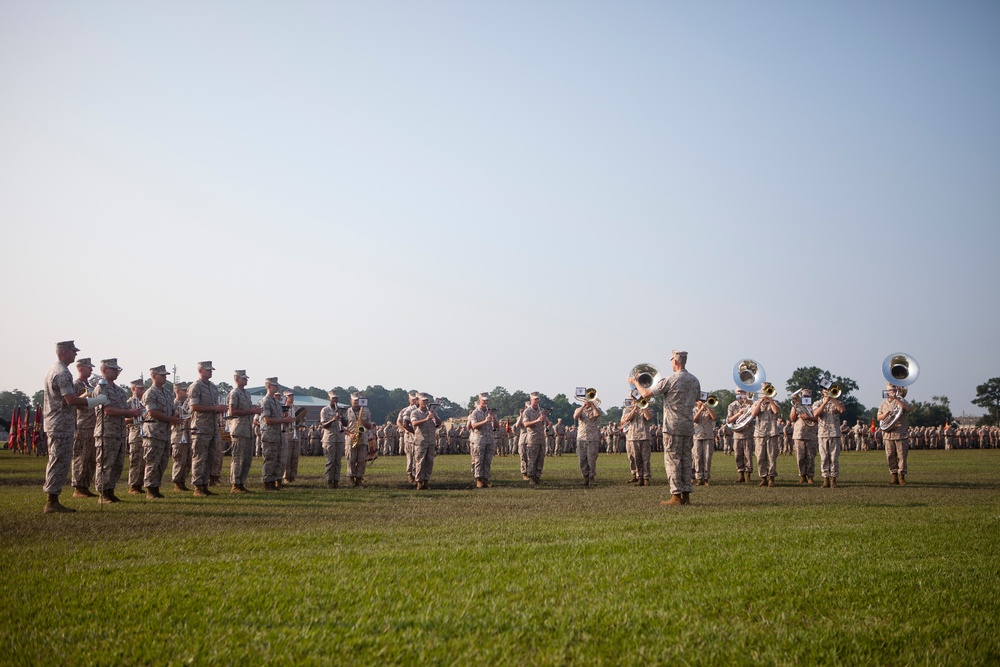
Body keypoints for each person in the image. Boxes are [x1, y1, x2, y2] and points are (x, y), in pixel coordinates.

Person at [629, 350, 700, 506]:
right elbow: (696, 397)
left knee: (673, 460)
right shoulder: (695, 380)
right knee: (687, 460)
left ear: (675, 361)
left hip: (673, 426)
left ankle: (676, 496)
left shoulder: (670, 380)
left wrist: (636, 383)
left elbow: (646, 393)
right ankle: (686, 495)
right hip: (688, 426)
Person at [42, 341, 105, 513]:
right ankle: (51, 501)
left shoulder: (54, 369)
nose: (75, 355)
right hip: (60, 423)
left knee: (59, 460)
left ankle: (53, 499)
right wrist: (94, 401)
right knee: (58, 461)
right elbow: (70, 400)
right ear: (64, 352)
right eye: (73, 351)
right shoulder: (62, 372)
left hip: (59, 422)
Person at [92, 358, 140, 503]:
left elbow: (123, 410)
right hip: (106, 432)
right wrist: (129, 413)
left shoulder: (119, 391)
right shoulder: (101, 388)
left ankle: (110, 491)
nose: (116, 372)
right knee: (105, 464)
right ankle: (103, 493)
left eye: (117, 369)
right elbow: (107, 410)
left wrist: (133, 412)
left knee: (117, 465)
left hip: (119, 432)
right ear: (104, 371)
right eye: (113, 369)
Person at [142, 365, 183, 498]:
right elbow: (152, 412)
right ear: (154, 376)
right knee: (152, 461)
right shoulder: (150, 393)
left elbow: (170, 410)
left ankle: (156, 487)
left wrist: (174, 416)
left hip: (165, 432)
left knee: (163, 461)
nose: (165, 377)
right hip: (153, 432)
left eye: (165, 375)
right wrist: (170, 418)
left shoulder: (167, 393)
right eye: (162, 375)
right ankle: (150, 489)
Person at [188, 361, 227, 495]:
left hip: (212, 427)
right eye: (208, 370)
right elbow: (193, 407)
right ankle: (198, 486)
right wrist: (214, 408)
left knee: (211, 457)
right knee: (199, 457)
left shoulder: (213, 387)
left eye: (211, 370)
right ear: (200, 371)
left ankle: (205, 484)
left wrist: (219, 410)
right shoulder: (195, 387)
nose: (211, 372)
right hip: (201, 427)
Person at [227, 370, 261, 494]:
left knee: (246, 459)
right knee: (238, 458)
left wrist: (254, 410)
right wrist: (250, 411)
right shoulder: (234, 393)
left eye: (246, 378)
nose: (246, 380)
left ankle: (241, 483)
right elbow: (232, 412)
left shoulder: (247, 394)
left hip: (247, 429)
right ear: (236, 379)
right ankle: (235, 484)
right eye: (243, 378)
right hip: (239, 429)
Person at [71, 357, 98, 498]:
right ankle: (78, 488)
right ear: (81, 368)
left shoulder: (90, 384)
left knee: (91, 458)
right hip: (82, 426)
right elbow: (73, 402)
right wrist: (87, 394)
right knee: (81, 457)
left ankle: (85, 485)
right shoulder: (75, 384)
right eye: (89, 367)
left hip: (93, 426)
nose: (91, 370)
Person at [260, 379, 294, 490]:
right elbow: (267, 420)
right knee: (269, 460)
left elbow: (278, 418)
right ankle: (267, 482)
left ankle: (274, 481)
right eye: (275, 386)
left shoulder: (275, 402)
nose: (277, 388)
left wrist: (286, 419)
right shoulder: (265, 401)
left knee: (277, 460)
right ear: (268, 386)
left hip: (277, 434)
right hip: (269, 435)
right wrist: (283, 420)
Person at [877, 383, 911, 484]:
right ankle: (894, 476)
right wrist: (885, 415)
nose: (891, 392)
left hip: (900, 434)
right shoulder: (883, 404)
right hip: (888, 434)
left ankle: (902, 477)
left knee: (902, 456)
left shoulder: (901, 400)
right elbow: (878, 417)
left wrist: (897, 398)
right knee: (890, 455)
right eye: (890, 391)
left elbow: (907, 408)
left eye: (893, 390)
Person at [813, 386, 845, 487]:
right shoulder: (817, 403)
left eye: (829, 390)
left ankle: (833, 480)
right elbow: (815, 414)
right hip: (822, 434)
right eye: (825, 391)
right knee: (824, 458)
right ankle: (825, 479)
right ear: (822, 392)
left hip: (834, 434)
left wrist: (834, 399)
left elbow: (841, 410)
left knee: (834, 458)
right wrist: (825, 403)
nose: (827, 392)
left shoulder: (838, 402)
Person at [409, 393, 442, 489]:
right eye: (423, 400)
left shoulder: (432, 413)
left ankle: (426, 481)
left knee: (429, 461)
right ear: (418, 401)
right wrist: (426, 419)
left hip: (431, 441)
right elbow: (414, 423)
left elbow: (439, 423)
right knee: (420, 462)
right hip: (420, 441)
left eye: (426, 400)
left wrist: (434, 416)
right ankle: (419, 481)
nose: (425, 402)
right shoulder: (415, 412)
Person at [750, 385, 780, 487]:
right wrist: (760, 401)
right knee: (760, 457)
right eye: (764, 391)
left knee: (771, 457)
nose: (765, 392)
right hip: (759, 434)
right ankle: (763, 478)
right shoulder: (756, 403)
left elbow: (776, 411)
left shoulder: (775, 402)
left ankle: (771, 478)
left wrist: (770, 400)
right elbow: (754, 413)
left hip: (772, 433)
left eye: (767, 390)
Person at [468, 392, 499, 488]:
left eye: (486, 400)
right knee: (479, 460)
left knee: (487, 460)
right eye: (483, 400)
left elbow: (497, 426)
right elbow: (473, 426)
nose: (485, 402)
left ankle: (486, 479)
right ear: (479, 401)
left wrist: (493, 417)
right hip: (479, 439)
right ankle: (478, 479)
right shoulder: (475, 413)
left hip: (490, 439)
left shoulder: (490, 412)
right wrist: (485, 421)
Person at [621, 397, 653, 486]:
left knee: (646, 459)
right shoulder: (628, 409)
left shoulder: (647, 407)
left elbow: (648, 417)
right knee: (636, 459)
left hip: (645, 436)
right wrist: (634, 408)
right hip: (633, 437)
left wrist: (643, 407)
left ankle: (646, 478)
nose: (636, 401)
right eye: (634, 399)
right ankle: (639, 477)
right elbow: (627, 419)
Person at [319, 392, 348, 487]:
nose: (335, 400)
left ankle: (336, 480)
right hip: (329, 439)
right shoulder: (325, 410)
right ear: (329, 399)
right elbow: (323, 425)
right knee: (330, 461)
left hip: (339, 439)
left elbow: (346, 424)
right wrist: (333, 419)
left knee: (338, 461)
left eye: (336, 398)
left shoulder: (341, 410)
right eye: (333, 398)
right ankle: (329, 480)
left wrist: (341, 417)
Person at [346, 393, 374, 486]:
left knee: (362, 460)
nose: (357, 402)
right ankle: (351, 477)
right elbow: (342, 427)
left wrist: (364, 423)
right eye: (355, 400)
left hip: (363, 438)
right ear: (351, 401)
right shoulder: (347, 412)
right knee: (351, 459)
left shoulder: (366, 411)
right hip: (351, 438)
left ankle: (359, 478)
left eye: (358, 400)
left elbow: (370, 426)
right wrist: (350, 434)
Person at [790, 390, 818, 483]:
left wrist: (808, 417)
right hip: (799, 434)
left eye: (807, 396)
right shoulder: (797, 405)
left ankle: (810, 476)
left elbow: (818, 418)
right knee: (800, 457)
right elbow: (792, 418)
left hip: (811, 434)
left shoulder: (814, 405)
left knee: (811, 457)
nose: (806, 398)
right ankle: (802, 476)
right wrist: (795, 406)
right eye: (804, 396)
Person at [573, 396, 603, 486]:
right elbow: (575, 416)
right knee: (582, 459)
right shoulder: (579, 409)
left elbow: (597, 414)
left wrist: (592, 405)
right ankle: (585, 477)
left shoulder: (595, 409)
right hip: (581, 438)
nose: (587, 401)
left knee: (592, 459)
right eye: (586, 399)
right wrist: (583, 406)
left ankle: (591, 477)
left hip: (592, 438)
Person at [727, 390, 755, 483]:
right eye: (739, 392)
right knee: (738, 455)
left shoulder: (751, 404)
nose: (740, 394)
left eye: (742, 392)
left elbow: (754, 415)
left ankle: (748, 474)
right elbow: (729, 420)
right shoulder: (732, 405)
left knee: (748, 455)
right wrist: (739, 414)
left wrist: (748, 403)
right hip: (737, 434)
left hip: (748, 433)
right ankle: (740, 474)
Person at [521, 393, 549, 486]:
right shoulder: (527, 411)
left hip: (541, 438)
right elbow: (525, 424)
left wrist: (545, 418)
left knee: (540, 459)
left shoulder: (541, 410)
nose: (537, 401)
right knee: (532, 459)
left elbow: (548, 423)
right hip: (532, 439)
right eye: (535, 399)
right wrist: (537, 420)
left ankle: (538, 477)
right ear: (531, 399)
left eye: (538, 399)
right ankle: (531, 477)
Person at [170, 382, 192, 491]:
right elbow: (170, 419)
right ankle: (177, 482)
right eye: (184, 390)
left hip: (188, 434)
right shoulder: (173, 404)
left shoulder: (188, 403)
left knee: (188, 460)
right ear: (177, 391)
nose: (186, 392)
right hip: (178, 434)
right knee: (179, 459)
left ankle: (183, 481)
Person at [126, 379, 146, 495]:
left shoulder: (144, 402)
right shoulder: (129, 403)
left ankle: (139, 485)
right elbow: (124, 420)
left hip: (145, 433)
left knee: (143, 461)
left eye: (143, 388)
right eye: (140, 388)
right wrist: (136, 417)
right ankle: (133, 485)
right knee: (135, 460)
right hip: (135, 433)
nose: (143, 390)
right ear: (133, 389)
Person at [692, 396, 717, 486]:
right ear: (696, 402)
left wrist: (707, 408)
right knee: (697, 458)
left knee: (707, 458)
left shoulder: (708, 409)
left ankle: (706, 478)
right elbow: (694, 420)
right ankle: (699, 478)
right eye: (700, 401)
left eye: (703, 401)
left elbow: (714, 417)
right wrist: (700, 410)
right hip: (697, 437)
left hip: (708, 437)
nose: (702, 402)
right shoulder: (694, 410)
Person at [397, 391, 420, 484]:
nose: (414, 401)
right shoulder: (405, 410)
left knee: (417, 457)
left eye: (416, 399)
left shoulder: (420, 410)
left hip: (418, 437)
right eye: (412, 399)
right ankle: (410, 474)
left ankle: (417, 475)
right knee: (410, 457)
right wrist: (404, 429)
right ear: (409, 399)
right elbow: (399, 422)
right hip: (409, 437)